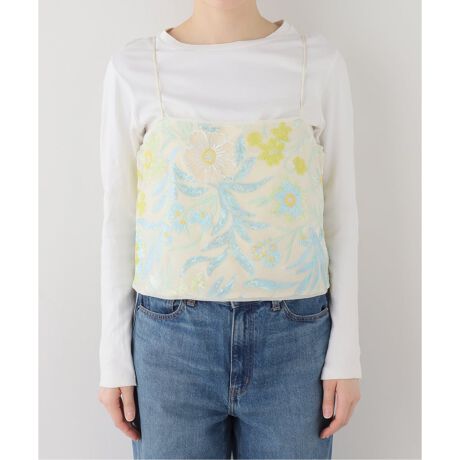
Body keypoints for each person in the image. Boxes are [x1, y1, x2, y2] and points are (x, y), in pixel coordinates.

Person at [97, 1, 361, 458]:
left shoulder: (316, 63)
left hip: (294, 343)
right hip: (170, 346)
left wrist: (346, 354)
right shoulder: (135, 69)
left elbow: (340, 217)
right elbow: (119, 221)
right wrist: (113, 359)